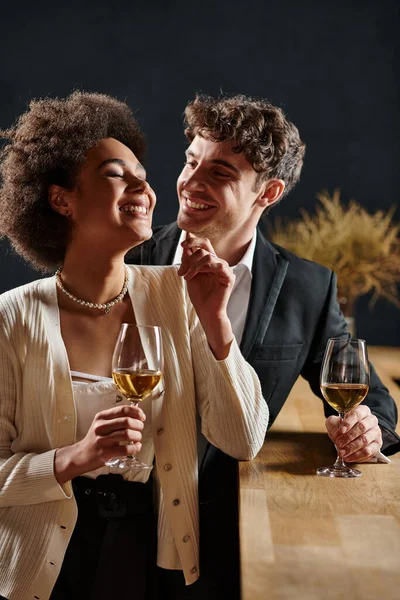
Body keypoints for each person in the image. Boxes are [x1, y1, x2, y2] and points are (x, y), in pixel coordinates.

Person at [127, 93, 400, 599]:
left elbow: (373, 400)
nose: (192, 183)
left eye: (222, 174)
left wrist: (367, 430)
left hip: (233, 537)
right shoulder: (128, 258)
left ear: (268, 192)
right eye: (191, 162)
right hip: (125, 530)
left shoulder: (308, 288)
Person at [0, 92, 269, 600]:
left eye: (143, 174)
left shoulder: (178, 295)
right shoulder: (11, 318)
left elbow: (242, 439)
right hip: (44, 565)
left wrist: (214, 321)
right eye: (115, 173)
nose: (144, 186)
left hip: (152, 557)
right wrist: (73, 458)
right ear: (62, 200)